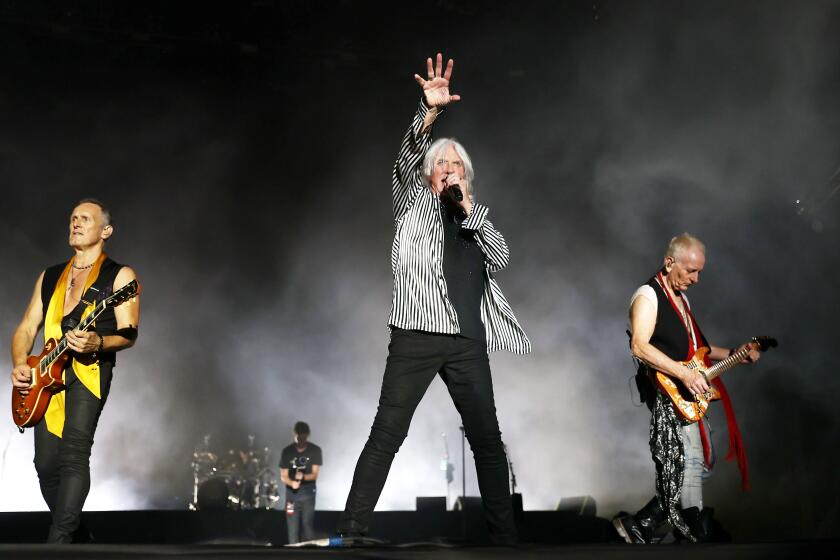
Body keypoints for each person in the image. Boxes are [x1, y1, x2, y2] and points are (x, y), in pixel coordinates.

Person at [336, 53, 530, 546]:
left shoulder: (472, 214)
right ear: (428, 173)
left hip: (466, 341)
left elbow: (501, 258)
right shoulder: (412, 199)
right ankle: (352, 529)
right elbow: (405, 154)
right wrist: (429, 113)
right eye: (441, 162)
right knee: (388, 434)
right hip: (415, 336)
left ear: (466, 174)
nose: (448, 168)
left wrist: (469, 210)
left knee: (488, 441)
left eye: (456, 164)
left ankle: (504, 538)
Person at [613, 233, 759, 543]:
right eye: (690, 271)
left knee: (695, 464)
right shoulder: (648, 295)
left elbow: (699, 351)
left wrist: (737, 352)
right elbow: (639, 346)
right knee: (688, 463)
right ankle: (658, 524)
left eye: (699, 272)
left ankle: (668, 525)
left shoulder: (682, 299)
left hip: (687, 392)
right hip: (668, 392)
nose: (695, 279)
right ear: (669, 262)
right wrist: (682, 373)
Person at [10, 199, 140, 543]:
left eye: (85, 219)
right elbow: (26, 328)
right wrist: (22, 363)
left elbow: (129, 333)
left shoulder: (120, 275)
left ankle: (58, 542)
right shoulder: (50, 275)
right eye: (72, 219)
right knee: (45, 465)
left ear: (106, 230)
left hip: (89, 370)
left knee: (74, 454)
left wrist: (97, 342)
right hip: (46, 376)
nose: (76, 223)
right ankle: (79, 536)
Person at [279, 421, 322, 544]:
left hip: (308, 494)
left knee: (307, 526)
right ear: (294, 435)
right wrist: (292, 483)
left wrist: (302, 477)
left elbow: (315, 475)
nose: (300, 441)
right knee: (292, 529)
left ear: (308, 435)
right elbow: (283, 476)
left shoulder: (315, 450)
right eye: (298, 438)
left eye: (303, 438)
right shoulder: (287, 452)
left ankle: (309, 554)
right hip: (291, 496)